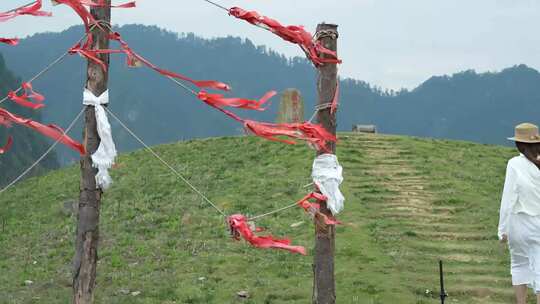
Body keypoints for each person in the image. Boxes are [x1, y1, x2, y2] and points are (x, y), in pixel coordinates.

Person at [499, 122, 540, 304]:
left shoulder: (514, 164)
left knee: (518, 264)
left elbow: (508, 199)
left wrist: (502, 229)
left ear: (518, 144)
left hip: (518, 224)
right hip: (537, 224)